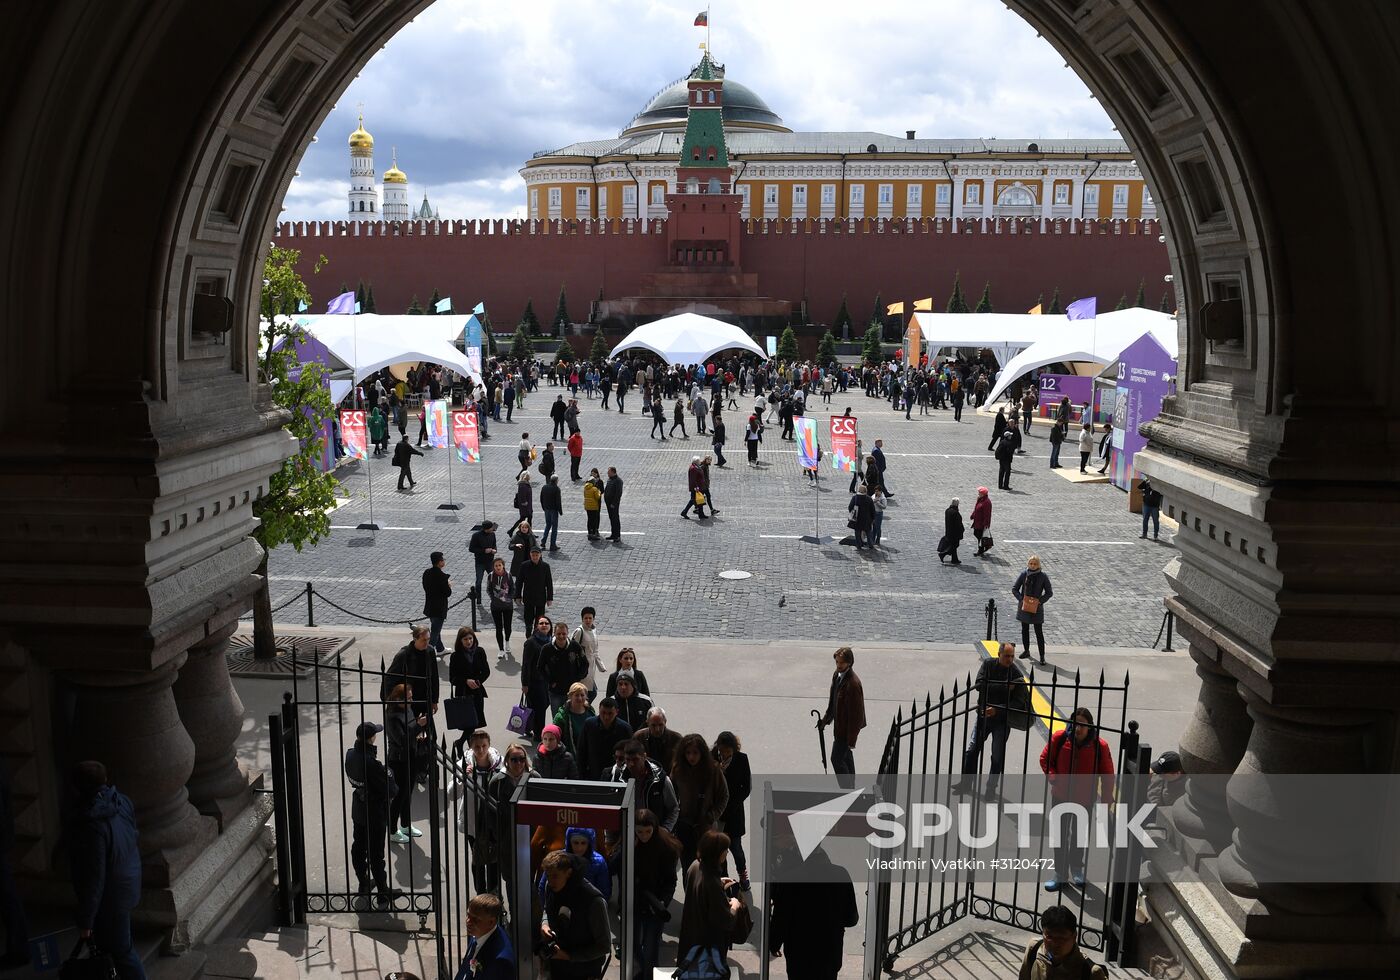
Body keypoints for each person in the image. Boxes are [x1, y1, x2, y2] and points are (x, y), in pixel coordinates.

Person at [67, 761, 146, 980]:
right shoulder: (122, 801)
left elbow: (94, 877)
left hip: (112, 895)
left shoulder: (91, 825)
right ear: (104, 780)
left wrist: (86, 921)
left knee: (122, 951)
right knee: (114, 947)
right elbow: (133, 836)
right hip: (128, 881)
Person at [1039, 708, 1115, 892]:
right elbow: (1045, 759)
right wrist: (1053, 777)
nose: (1078, 728)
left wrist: (1106, 800)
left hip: (1085, 799)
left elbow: (1108, 775)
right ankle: (1060, 873)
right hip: (1060, 796)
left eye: (1083, 724)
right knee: (1060, 836)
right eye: (1075, 723)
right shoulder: (1060, 738)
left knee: (1079, 837)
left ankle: (1076, 868)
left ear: (1090, 727)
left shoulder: (1100, 746)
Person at [768, 839, 859, 980]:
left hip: (799, 955)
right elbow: (851, 919)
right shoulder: (841, 874)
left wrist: (774, 944)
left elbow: (781, 920)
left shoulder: (789, 879)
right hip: (829, 953)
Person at [616, 808, 680, 980]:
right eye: (640, 832)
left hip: (653, 905)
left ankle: (647, 974)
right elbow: (612, 866)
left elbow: (670, 881)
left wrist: (662, 902)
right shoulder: (629, 843)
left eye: (647, 832)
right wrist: (628, 848)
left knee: (651, 949)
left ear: (654, 829)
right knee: (632, 945)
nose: (644, 836)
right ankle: (645, 972)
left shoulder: (665, 848)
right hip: (632, 903)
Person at [955, 642, 1019, 796]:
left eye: (1012, 656)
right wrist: (1004, 687)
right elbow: (979, 685)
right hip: (983, 717)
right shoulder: (988, 664)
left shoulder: (1016, 674)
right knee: (972, 751)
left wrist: (997, 709)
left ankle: (991, 788)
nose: (1010, 660)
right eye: (1007, 656)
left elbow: (1017, 703)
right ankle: (966, 783)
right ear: (999, 654)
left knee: (997, 757)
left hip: (1002, 721)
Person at [677, 830, 742, 976]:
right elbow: (725, 920)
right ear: (718, 854)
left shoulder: (695, 866)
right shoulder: (712, 882)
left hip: (691, 935)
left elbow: (698, 891)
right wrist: (735, 905)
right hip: (708, 944)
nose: (727, 853)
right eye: (725, 850)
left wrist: (720, 883)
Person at [539, 850, 611, 979]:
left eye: (555, 876)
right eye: (548, 876)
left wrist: (569, 956)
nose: (550, 881)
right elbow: (547, 909)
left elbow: (604, 946)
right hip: (558, 966)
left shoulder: (593, 901)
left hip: (585, 971)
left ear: (569, 873)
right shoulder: (551, 888)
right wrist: (545, 924)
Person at [455, 729, 504, 895]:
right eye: (477, 746)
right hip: (473, 822)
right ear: (471, 747)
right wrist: (462, 778)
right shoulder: (463, 764)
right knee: (477, 858)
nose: (481, 750)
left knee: (494, 858)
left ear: (489, 745)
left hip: (494, 821)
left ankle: (493, 892)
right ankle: (481, 894)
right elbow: (451, 794)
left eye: (484, 745)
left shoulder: (500, 765)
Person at [670, 734, 729, 869]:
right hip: (684, 825)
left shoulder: (713, 770)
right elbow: (670, 794)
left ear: (702, 753)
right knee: (687, 866)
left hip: (705, 826)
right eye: (688, 753)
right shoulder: (678, 769)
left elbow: (724, 796)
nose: (691, 757)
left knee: (708, 864)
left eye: (695, 753)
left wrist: (712, 815)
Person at [385, 682, 430, 843]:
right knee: (399, 796)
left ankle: (405, 825)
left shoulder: (407, 709)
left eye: (411, 697)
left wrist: (418, 731)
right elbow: (401, 739)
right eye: (408, 698)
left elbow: (410, 730)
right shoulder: (392, 716)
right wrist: (418, 725)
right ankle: (392, 830)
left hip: (411, 755)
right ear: (398, 699)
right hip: (399, 760)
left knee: (408, 793)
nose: (411, 701)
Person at [1018, 905, 1109, 979]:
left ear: (1074, 936)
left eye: (1061, 938)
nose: (1055, 943)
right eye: (1049, 937)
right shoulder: (1034, 948)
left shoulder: (1090, 971)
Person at [712, 732, 752, 891]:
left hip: (734, 813)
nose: (725, 754)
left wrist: (731, 805)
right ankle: (725, 879)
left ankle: (743, 875)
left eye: (728, 751)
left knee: (736, 848)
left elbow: (746, 788)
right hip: (717, 813)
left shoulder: (742, 759)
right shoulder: (712, 758)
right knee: (720, 849)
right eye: (722, 751)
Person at [820, 646, 866, 785]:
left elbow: (857, 716)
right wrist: (825, 720)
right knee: (845, 757)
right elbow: (833, 702)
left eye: (842, 663)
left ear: (849, 663)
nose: (838, 665)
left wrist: (851, 740)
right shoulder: (837, 676)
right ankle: (851, 786)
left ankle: (847, 789)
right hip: (839, 727)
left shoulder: (853, 684)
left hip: (846, 731)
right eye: (837, 662)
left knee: (836, 759)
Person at [382, 624, 441, 718]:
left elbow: (434, 677)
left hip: (425, 698)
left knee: (427, 725)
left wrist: (434, 700)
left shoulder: (430, 651)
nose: (426, 642)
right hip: (410, 699)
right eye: (423, 640)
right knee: (410, 725)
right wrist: (391, 702)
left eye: (428, 639)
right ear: (415, 639)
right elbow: (389, 679)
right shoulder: (403, 655)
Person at [453, 892, 515, 980]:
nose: (468, 922)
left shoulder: (501, 961)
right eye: (468, 915)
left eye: (475, 919)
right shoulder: (477, 933)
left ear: (491, 922)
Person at [448, 627, 490, 752]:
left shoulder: (480, 651)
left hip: (477, 692)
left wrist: (478, 681)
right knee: (469, 723)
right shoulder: (456, 656)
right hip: (463, 693)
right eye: (465, 639)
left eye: (470, 638)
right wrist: (466, 681)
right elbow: (452, 678)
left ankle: (464, 745)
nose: (469, 641)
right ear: (460, 641)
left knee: (474, 722)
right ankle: (464, 745)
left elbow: (486, 671)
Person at [579, 697, 633, 779]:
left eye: (610, 713)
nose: (606, 717)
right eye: (603, 713)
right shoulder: (589, 725)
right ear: (599, 710)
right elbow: (581, 750)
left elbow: (630, 753)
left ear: (617, 712)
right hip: (593, 772)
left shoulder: (625, 729)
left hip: (617, 774)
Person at [1013, 555, 1054, 663]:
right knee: (1024, 630)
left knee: (1038, 632)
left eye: (1035, 564)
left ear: (1038, 565)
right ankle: (1026, 650)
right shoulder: (1024, 574)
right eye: (1031, 563)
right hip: (1024, 607)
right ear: (1028, 564)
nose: (1033, 565)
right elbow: (1015, 589)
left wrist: (1039, 601)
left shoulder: (1043, 576)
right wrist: (1021, 600)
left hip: (1037, 608)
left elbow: (1049, 592)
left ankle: (1042, 656)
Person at [520, 615, 555, 741]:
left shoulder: (552, 641)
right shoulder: (531, 643)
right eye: (541, 623)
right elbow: (526, 664)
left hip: (547, 680)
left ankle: (528, 726)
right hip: (535, 681)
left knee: (540, 706)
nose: (544, 625)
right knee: (540, 708)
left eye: (546, 623)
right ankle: (539, 734)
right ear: (536, 626)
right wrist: (525, 684)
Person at [552, 683, 595, 762]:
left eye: (582, 695)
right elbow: (555, 738)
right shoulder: (561, 717)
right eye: (576, 695)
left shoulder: (590, 712)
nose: (580, 698)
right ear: (570, 696)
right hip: (569, 759)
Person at [421, 551, 452, 653]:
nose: (444, 561)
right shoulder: (442, 577)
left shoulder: (427, 573)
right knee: (435, 632)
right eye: (443, 560)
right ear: (439, 562)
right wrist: (448, 585)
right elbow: (447, 593)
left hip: (430, 605)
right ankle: (428, 652)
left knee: (435, 628)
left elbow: (425, 586)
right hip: (439, 608)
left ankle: (440, 648)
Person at [485, 558, 515, 662]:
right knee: (498, 628)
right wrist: (493, 599)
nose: (498, 567)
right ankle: (501, 649)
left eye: (500, 565)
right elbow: (488, 589)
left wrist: (509, 598)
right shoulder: (491, 576)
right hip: (495, 606)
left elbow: (513, 588)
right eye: (496, 565)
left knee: (508, 626)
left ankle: (507, 641)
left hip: (507, 606)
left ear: (503, 565)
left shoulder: (508, 575)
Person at [639, 706, 681, 774]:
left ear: (665, 722)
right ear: (647, 723)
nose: (657, 729)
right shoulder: (639, 737)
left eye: (660, 725)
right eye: (653, 725)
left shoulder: (676, 739)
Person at [468, 521, 498, 605]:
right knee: (479, 581)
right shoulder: (476, 536)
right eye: (491, 528)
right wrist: (484, 551)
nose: (492, 529)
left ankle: (495, 597)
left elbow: (494, 544)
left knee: (494, 580)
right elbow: (471, 549)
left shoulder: (492, 534)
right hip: (480, 562)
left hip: (490, 561)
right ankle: (478, 598)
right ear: (486, 529)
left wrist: (494, 550)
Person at [847, 483, 875, 550]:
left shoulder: (855, 498)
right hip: (867, 519)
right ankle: (870, 545)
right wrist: (873, 518)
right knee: (868, 532)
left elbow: (850, 507)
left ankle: (859, 545)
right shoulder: (869, 498)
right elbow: (872, 510)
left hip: (857, 519)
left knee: (857, 533)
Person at [938, 497, 965, 565]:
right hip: (955, 533)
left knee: (953, 545)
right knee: (955, 545)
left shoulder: (947, 510)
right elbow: (958, 524)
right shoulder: (955, 513)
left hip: (949, 531)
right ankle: (943, 554)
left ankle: (954, 559)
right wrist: (962, 530)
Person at [540, 475, 563, 552]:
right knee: (554, 528)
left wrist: (544, 507)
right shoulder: (556, 489)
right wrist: (560, 511)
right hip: (554, 510)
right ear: (556, 480)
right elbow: (558, 501)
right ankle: (552, 545)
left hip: (546, 509)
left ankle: (543, 542)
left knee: (548, 525)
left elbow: (541, 498)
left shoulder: (544, 487)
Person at [603, 467, 624, 542]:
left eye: (609, 472)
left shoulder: (618, 481)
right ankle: (613, 534)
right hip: (609, 503)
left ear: (613, 472)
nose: (607, 473)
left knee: (615, 519)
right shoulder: (610, 479)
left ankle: (617, 535)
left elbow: (618, 494)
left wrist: (613, 503)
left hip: (613, 504)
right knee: (612, 519)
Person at [971, 487, 993, 556]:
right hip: (977, 521)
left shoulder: (987, 502)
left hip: (981, 523)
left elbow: (987, 514)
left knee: (980, 536)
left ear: (983, 494)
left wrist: (986, 524)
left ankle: (980, 550)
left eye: (979, 493)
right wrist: (973, 515)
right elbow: (976, 508)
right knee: (977, 534)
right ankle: (985, 546)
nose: (978, 494)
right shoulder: (980, 499)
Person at [510, 471, 533, 535]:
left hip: (528, 506)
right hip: (525, 507)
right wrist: (525, 503)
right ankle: (511, 530)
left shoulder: (525, 484)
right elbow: (523, 496)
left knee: (528, 519)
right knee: (522, 519)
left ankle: (530, 533)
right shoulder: (523, 485)